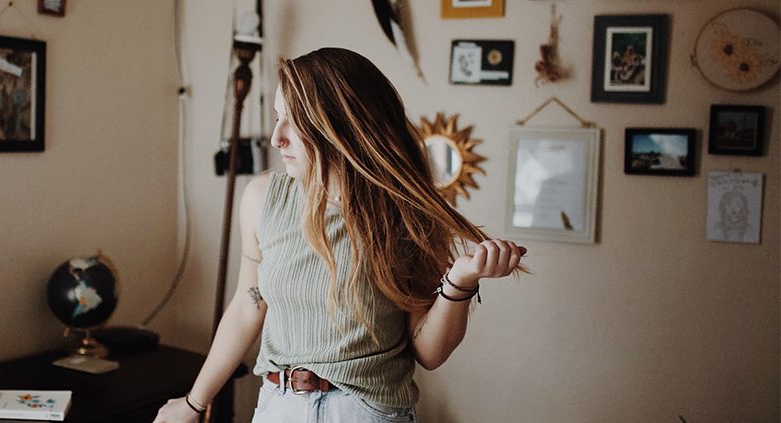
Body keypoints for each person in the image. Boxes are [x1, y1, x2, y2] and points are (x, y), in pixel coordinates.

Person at [154, 47, 525, 423]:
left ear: (340, 127)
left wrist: (459, 282)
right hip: (278, 407)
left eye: (293, 121)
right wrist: (194, 403)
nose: (275, 138)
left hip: (367, 411)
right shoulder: (262, 198)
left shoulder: (404, 214)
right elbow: (248, 305)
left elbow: (429, 352)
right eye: (277, 117)